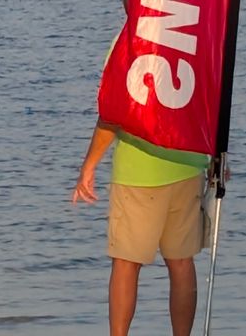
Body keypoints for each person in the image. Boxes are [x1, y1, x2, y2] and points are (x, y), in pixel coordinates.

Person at [71, 119, 209, 336]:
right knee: (181, 262)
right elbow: (211, 106)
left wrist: (89, 165)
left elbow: (112, 116)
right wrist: (218, 155)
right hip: (188, 163)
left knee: (126, 263)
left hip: (139, 171)